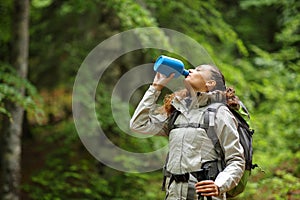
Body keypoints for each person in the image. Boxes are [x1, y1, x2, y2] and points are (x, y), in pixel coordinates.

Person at [130, 64, 245, 200]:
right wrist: (155, 87)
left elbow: (236, 160)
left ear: (210, 83)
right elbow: (138, 124)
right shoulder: (178, 113)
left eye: (198, 70)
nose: (191, 70)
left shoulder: (220, 113)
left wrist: (219, 185)